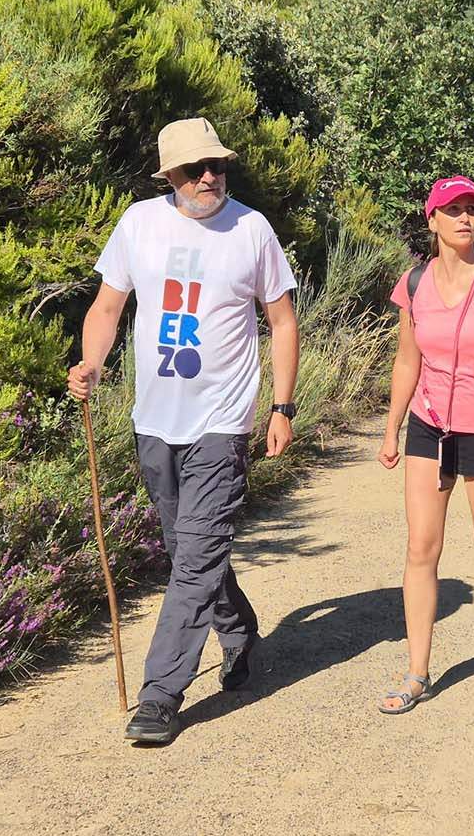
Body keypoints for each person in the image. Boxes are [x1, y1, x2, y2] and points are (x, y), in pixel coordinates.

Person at [67, 116, 300, 745]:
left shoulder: (251, 229)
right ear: (170, 176)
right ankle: (238, 630)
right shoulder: (139, 223)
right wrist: (90, 361)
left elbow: (281, 320)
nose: (209, 177)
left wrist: (282, 407)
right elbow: (107, 308)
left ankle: (160, 695)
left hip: (222, 422)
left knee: (194, 555)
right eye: (196, 169)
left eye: (217, 166)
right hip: (154, 421)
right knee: (186, 548)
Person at [376, 176, 474, 713]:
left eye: (473, 210)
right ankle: (418, 671)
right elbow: (407, 359)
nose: (465, 218)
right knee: (421, 548)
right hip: (429, 426)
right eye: (453, 209)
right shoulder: (413, 284)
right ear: (432, 218)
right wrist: (392, 426)